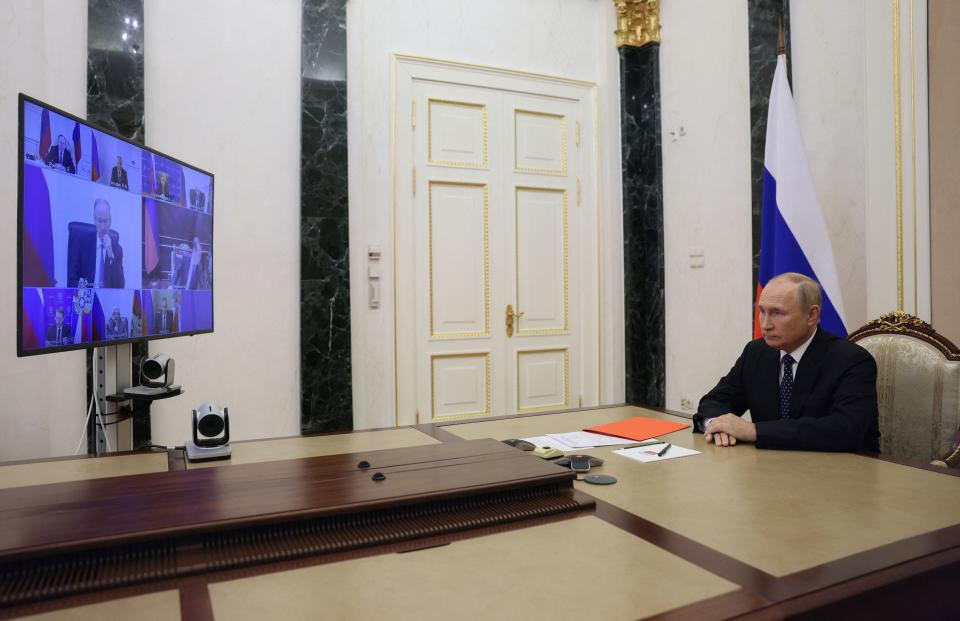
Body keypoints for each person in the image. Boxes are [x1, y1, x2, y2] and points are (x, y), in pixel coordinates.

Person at [694, 272, 879, 452]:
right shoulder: (756, 352)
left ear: (811, 315)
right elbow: (715, 400)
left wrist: (753, 431)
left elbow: (844, 430)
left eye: (777, 313)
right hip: (768, 469)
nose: (765, 324)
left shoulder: (851, 360)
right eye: (762, 311)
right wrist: (717, 426)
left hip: (841, 472)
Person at [68, 199, 125, 289]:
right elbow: (71, 280)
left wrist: (110, 255)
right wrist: (81, 288)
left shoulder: (117, 249)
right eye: (99, 221)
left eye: (105, 221)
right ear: (94, 219)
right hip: (86, 297)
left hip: (107, 300)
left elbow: (120, 286)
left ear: (110, 220)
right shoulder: (82, 242)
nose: (103, 227)